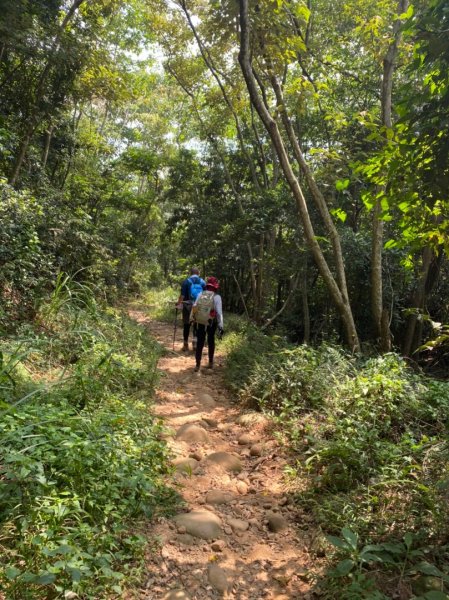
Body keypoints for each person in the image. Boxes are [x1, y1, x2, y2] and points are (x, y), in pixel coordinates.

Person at [192, 276, 224, 372]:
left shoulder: (200, 294)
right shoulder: (217, 297)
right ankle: (210, 363)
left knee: (200, 341)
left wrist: (194, 318)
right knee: (211, 341)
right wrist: (221, 325)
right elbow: (219, 313)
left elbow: (195, 306)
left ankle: (197, 364)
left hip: (201, 321)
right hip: (211, 322)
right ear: (215, 286)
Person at [176, 267, 206, 351]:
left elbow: (182, 296)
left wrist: (178, 304)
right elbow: (205, 296)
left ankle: (185, 345)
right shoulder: (202, 282)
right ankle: (195, 344)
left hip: (187, 305)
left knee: (186, 324)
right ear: (198, 273)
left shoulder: (186, 282)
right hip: (198, 306)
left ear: (191, 273)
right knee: (196, 324)